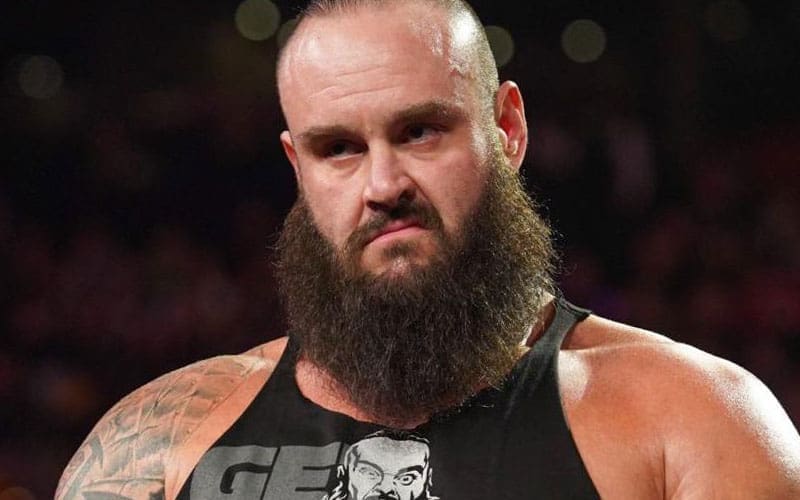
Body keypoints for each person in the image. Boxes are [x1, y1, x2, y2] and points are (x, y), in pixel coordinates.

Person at [57, 0, 800, 498]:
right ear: (298, 168)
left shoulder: (691, 424)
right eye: (338, 148)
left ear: (506, 130)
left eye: (419, 132)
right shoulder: (163, 442)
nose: (383, 185)